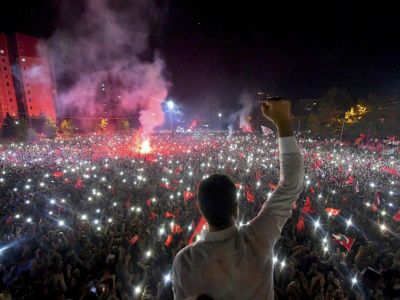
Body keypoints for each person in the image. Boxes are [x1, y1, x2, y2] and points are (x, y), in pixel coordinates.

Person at [172, 97, 304, 300]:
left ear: (201, 209)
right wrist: (283, 121)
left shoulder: (185, 261)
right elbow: (291, 184)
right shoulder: (257, 239)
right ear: (236, 207)